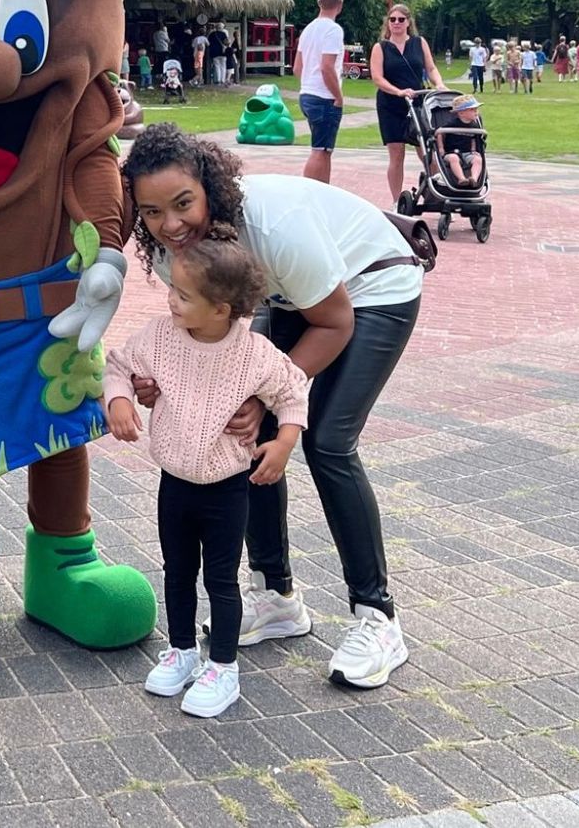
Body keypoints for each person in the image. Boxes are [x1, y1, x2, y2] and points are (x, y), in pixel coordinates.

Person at [122, 126, 424, 690]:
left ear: (209, 185)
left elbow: (335, 323)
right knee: (243, 435)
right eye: (153, 211)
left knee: (326, 440)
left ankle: (378, 617)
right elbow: (214, 342)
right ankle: (277, 596)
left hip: (371, 288)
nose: (171, 224)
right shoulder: (175, 255)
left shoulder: (273, 226)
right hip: (290, 295)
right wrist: (165, 384)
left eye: (183, 202)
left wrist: (265, 396)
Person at [104, 230, 307, 719]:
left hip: (227, 489)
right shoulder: (158, 337)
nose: (171, 301)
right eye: (172, 289)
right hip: (174, 483)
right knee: (177, 571)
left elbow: (293, 391)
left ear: (221, 308)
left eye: (183, 295)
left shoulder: (254, 352)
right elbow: (117, 364)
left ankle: (224, 667)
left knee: (221, 578)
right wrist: (119, 400)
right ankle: (181, 651)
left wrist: (283, 443)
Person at [370, 4, 445, 206]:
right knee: (396, 153)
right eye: (392, 19)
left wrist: (439, 83)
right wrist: (398, 91)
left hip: (417, 101)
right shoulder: (381, 47)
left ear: (408, 22)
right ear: (388, 22)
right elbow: (377, 78)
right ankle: (396, 201)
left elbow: (430, 67)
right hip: (391, 104)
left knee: (426, 149)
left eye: (401, 20)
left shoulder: (419, 43)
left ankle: (437, 193)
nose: (396, 23)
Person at [294, 0, 346, 183]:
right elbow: (327, 67)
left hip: (307, 93)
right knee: (320, 150)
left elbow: (298, 67)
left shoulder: (308, 29)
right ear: (339, 5)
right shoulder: (333, 30)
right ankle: (309, 190)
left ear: (319, 3)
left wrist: (308, 83)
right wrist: (338, 96)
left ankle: (323, 190)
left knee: (324, 149)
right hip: (324, 97)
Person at [436, 95, 485, 186]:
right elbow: (440, 133)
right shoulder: (452, 123)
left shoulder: (474, 126)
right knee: (453, 158)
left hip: (467, 152)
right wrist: (441, 148)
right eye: (472, 110)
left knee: (478, 159)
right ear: (461, 113)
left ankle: (474, 179)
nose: (476, 112)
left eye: (476, 110)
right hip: (451, 152)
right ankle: (461, 179)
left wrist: (474, 150)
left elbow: (474, 139)